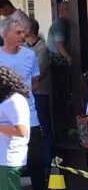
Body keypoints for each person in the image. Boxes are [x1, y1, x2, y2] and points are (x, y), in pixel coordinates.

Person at [0, 11, 46, 190]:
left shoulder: (30, 55)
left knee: (36, 159)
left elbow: (35, 80)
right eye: (18, 32)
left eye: (23, 32)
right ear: (6, 34)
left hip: (30, 116)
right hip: (3, 119)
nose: (22, 36)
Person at [0, 65, 31, 190]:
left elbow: (22, 131)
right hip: (5, 157)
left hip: (10, 158)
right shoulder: (9, 100)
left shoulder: (14, 101)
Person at [25, 17, 52, 174]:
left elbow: (40, 72)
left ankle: (47, 164)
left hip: (39, 93)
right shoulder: (22, 47)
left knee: (42, 128)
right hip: (26, 94)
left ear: (29, 30)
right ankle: (30, 164)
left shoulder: (42, 48)